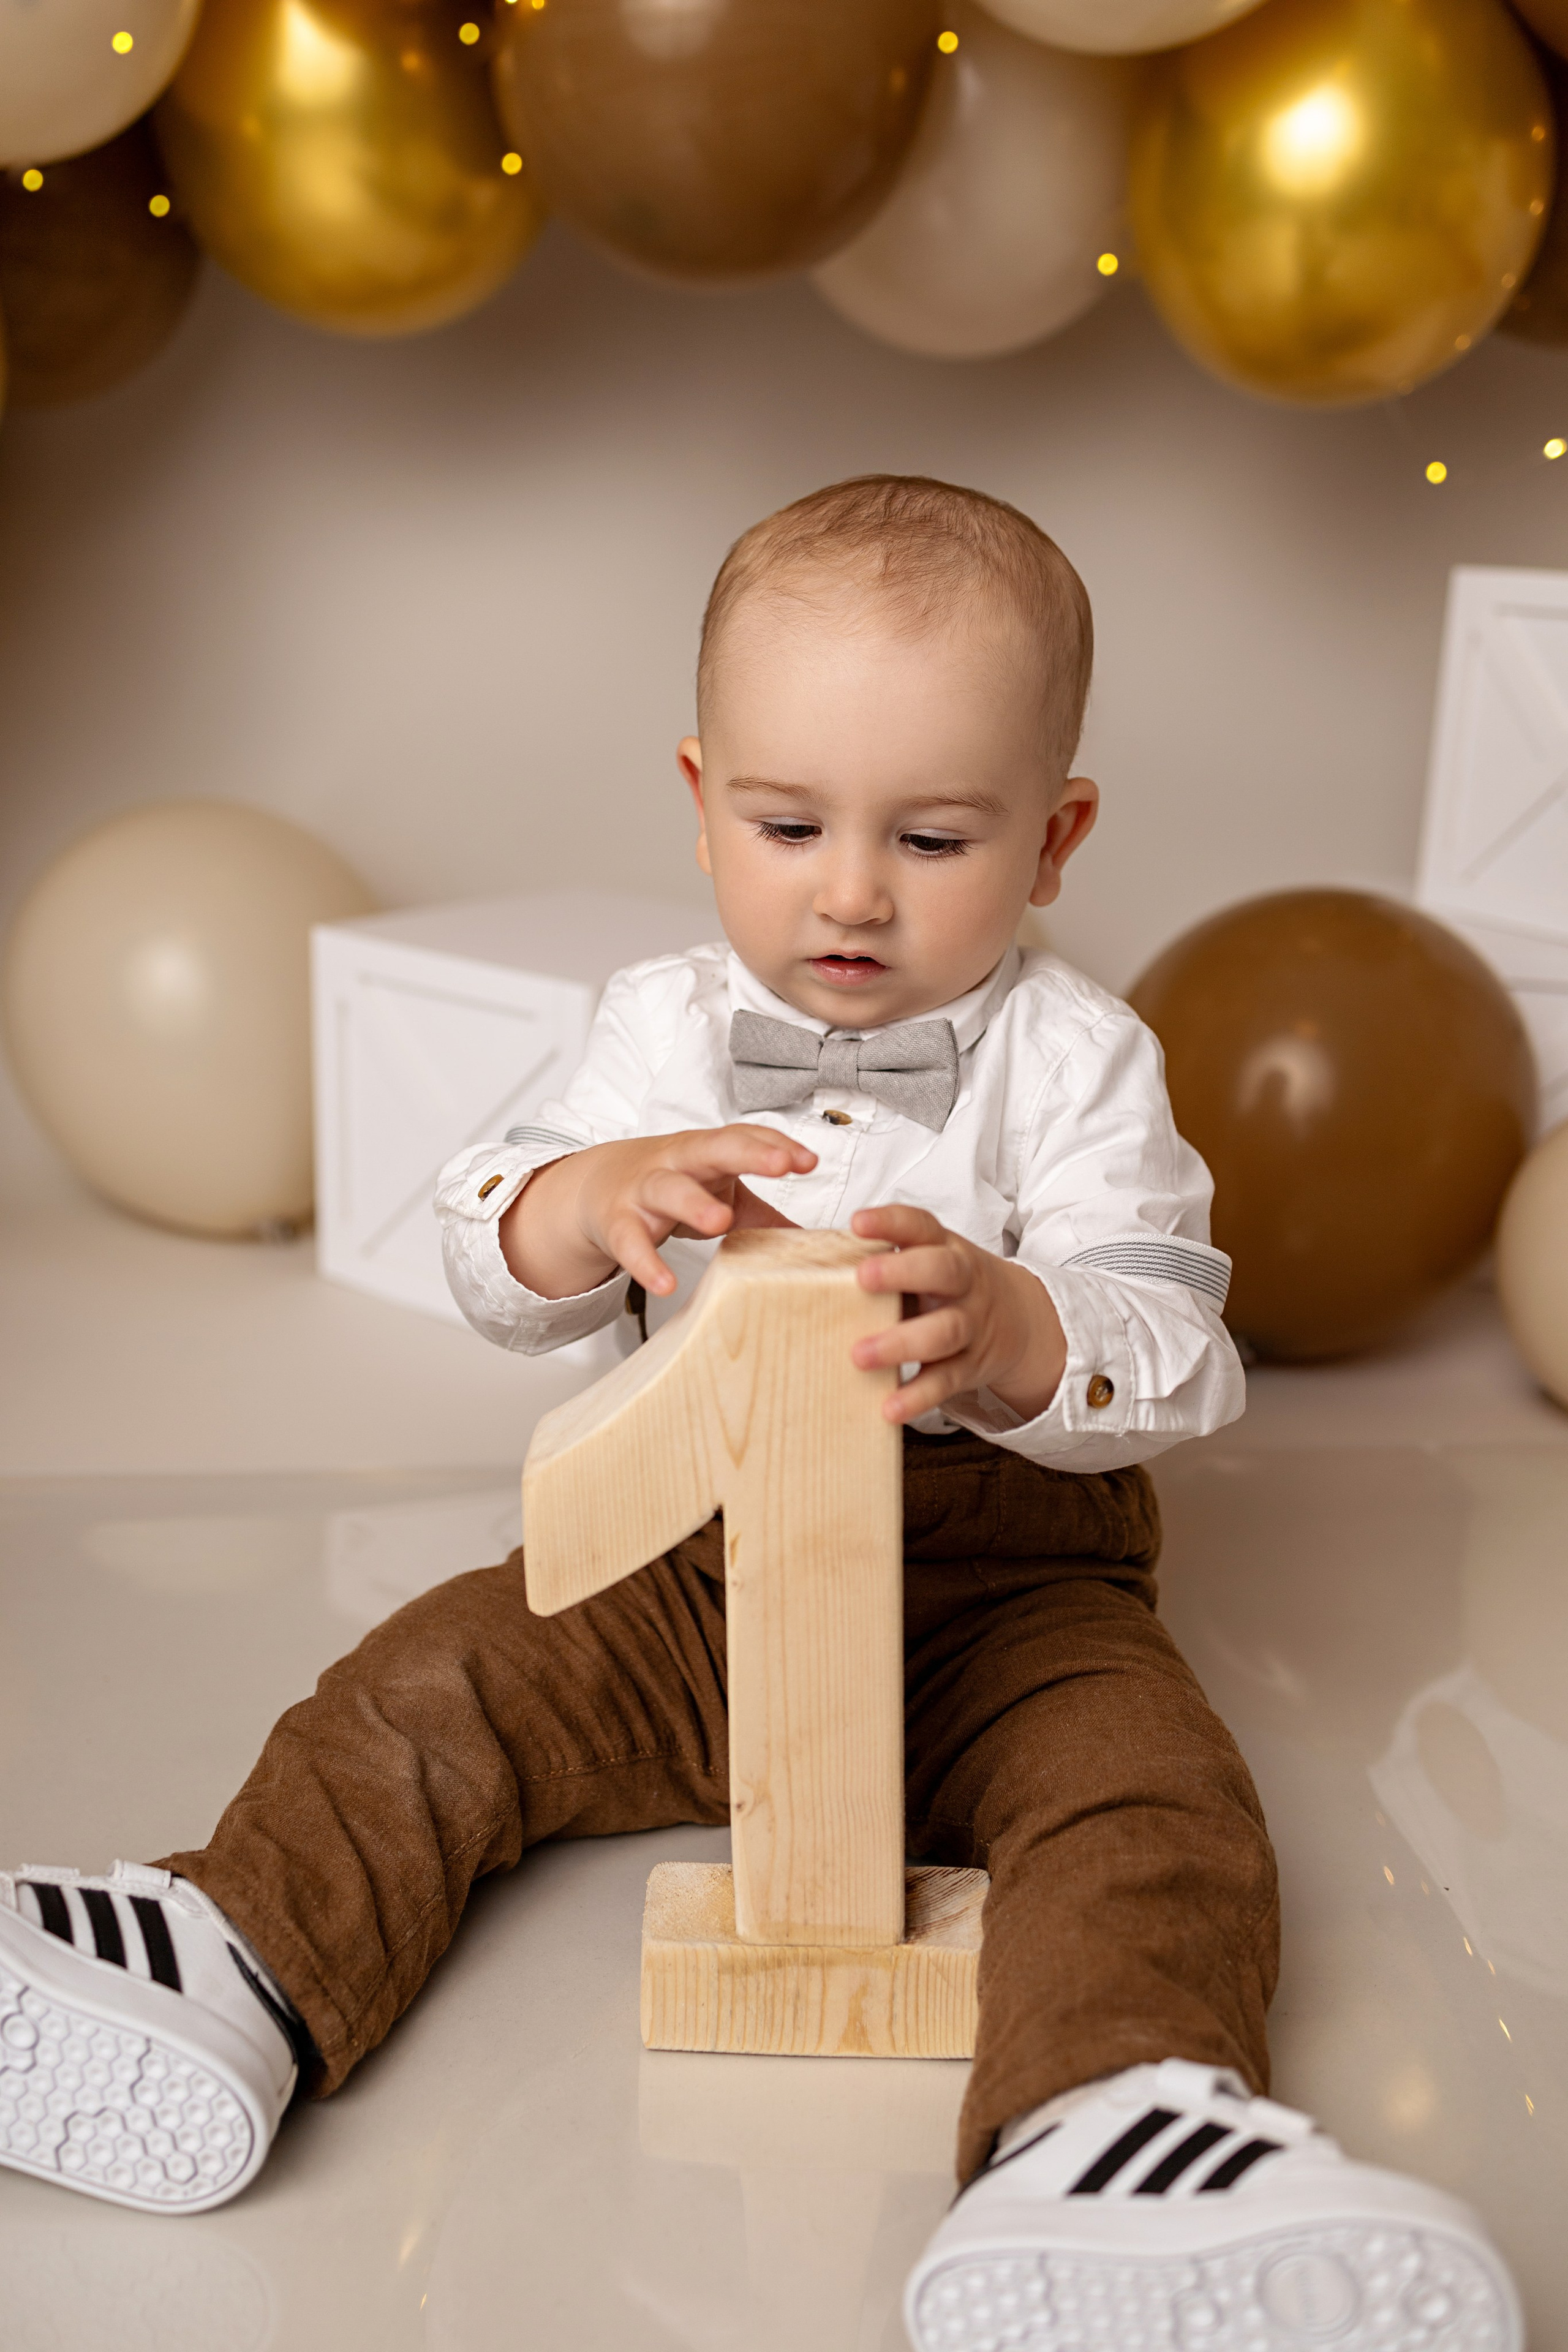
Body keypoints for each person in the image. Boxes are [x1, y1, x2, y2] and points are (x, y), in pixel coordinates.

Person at [0, 477, 1520, 2350]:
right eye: (789, 823)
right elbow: (487, 1243)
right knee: (428, 1685)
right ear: (701, 796)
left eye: (938, 836)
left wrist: (1023, 1326)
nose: (854, 890)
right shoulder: (653, 1025)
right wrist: (584, 1203)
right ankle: (237, 1955)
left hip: (1007, 1600)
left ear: (1057, 839)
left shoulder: (1080, 1057)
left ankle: (1106, 2127)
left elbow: (1186, 1348)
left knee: (1157, 1807)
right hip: (686, 1578)